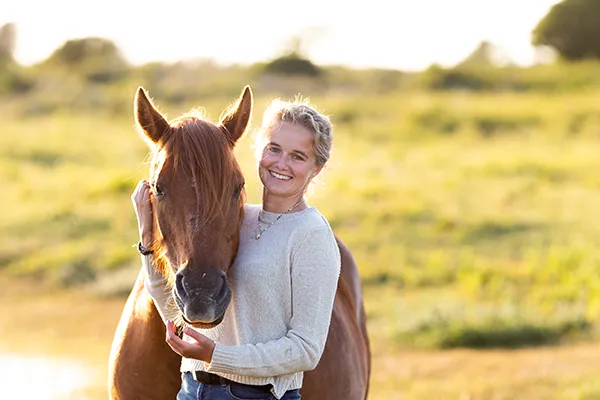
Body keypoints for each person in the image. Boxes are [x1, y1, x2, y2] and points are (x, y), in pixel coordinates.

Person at [131, 96, 341, 400]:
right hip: (193, 389)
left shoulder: (311, 234)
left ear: (316, 168)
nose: (281, 164)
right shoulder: (235, 221)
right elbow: (174, 309)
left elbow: (306, 350)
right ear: (258, 151)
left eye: (298, 156)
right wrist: (147, 235)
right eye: (274, 149)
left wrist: (217, 355)